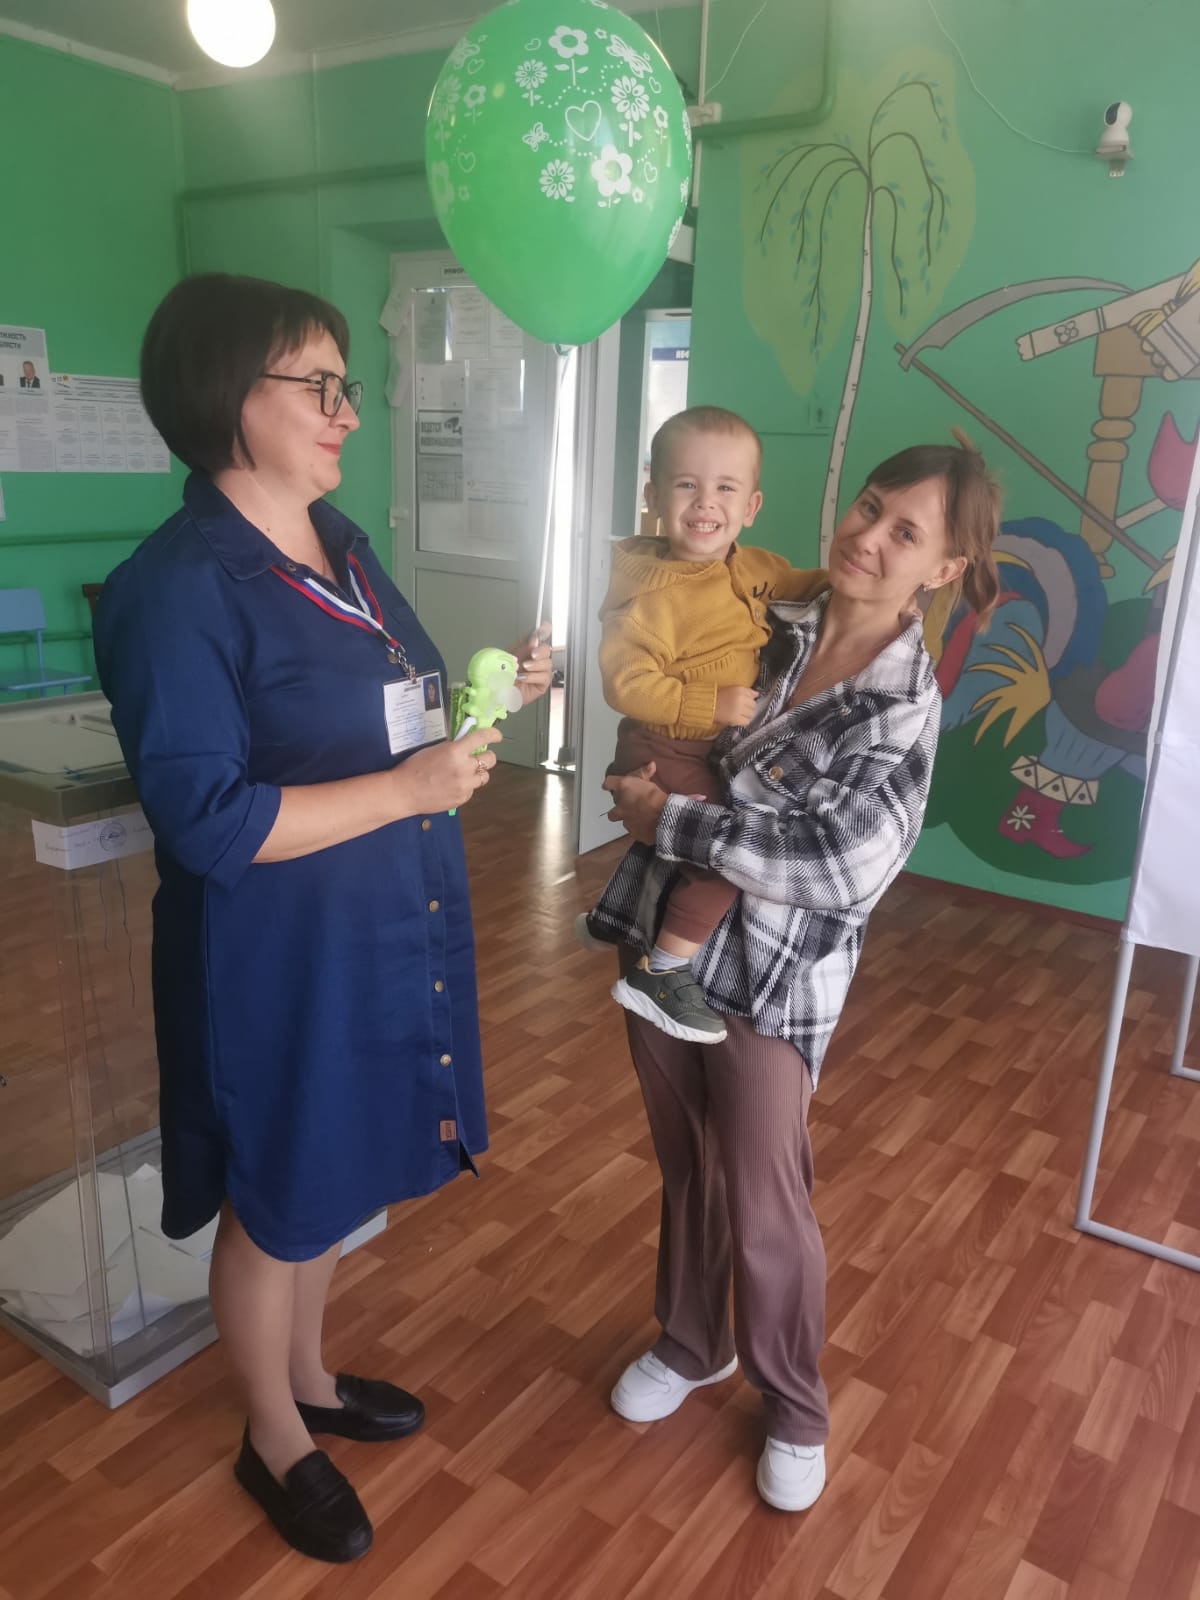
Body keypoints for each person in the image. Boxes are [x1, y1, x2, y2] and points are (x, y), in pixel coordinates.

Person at [92, 273, 550, 1565]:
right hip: (275, 957)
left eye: (350, 384)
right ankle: (271, 1432)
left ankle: (308, 1376)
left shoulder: (340, 545)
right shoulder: (177, 589)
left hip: (378, 924)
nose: (351, 410)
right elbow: (210, 822)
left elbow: (390, 710)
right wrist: (407, 790)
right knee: (277, 1191)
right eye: (322, 385)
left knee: (336, 1174)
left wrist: (488, 708)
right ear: (229, 396)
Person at [592, 432, 1001, 1513]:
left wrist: (674, 816)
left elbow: (840, 866)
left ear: (944, 566)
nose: (868, 537)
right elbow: (657, 691)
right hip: (663, 938)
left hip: (778, 977)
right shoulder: (766, 614)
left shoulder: (902, 702)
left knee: (765, 1190)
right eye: (868, 507)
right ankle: (693, 1343)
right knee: (687, 1162)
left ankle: (794, 1402)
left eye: (905, 532)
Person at [580, 406, 827, 1044]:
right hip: (664, 743)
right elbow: (626, 685)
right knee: (722, 858)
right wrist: (707, 704)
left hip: (709, 748)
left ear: (751, 505)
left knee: (678, 844)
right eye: (686, 484)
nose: (705, 502)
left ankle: (620, 919)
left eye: (725, 487)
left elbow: (812, 585)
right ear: (654, 496)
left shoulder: (757, 566)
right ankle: (662, 971)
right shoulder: (651, 595)